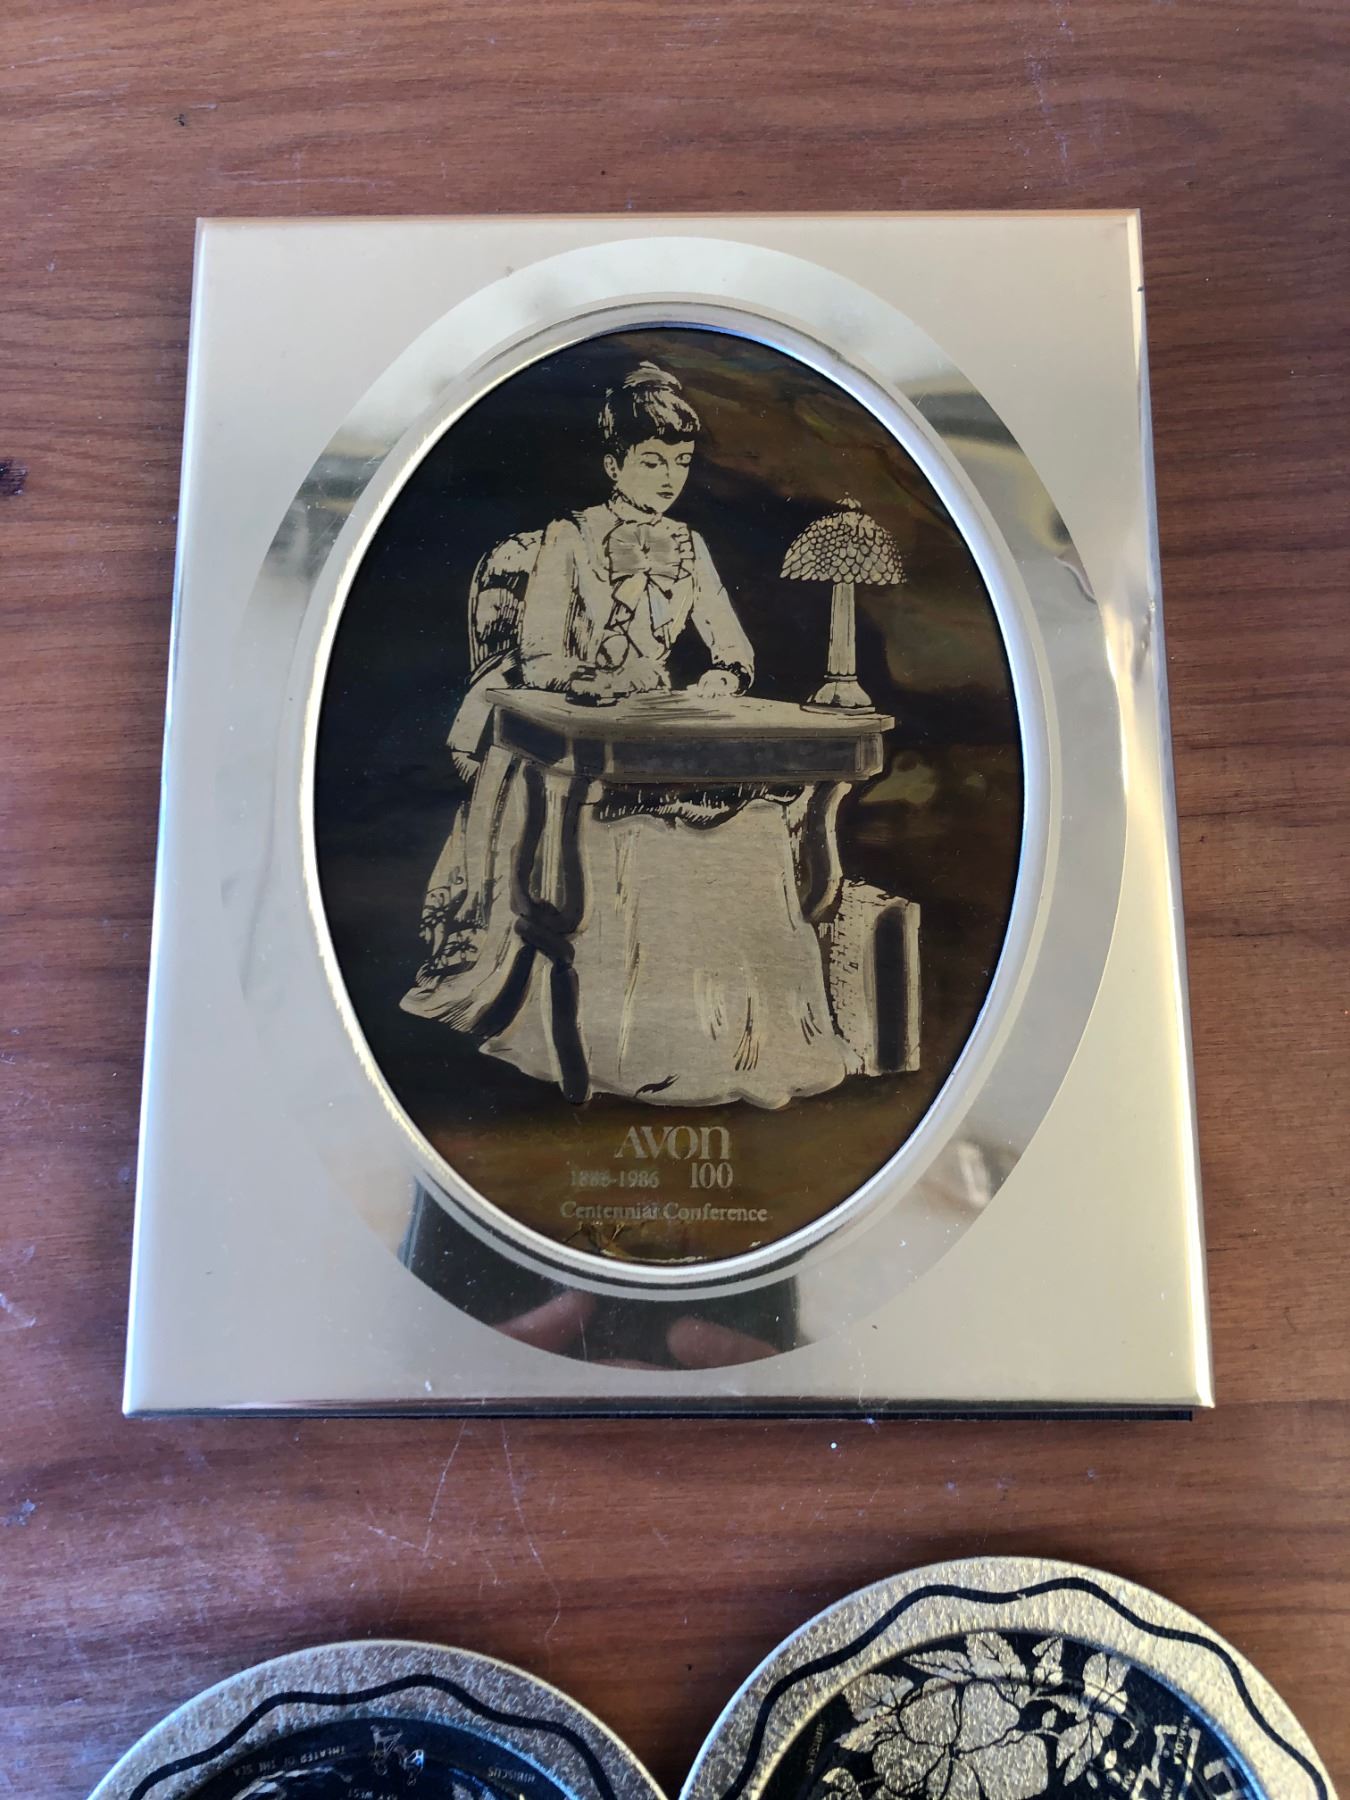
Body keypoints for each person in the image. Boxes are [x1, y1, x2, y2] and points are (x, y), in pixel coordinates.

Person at [402, 362, 850, 1108]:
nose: (668, 478)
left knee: (752, 832)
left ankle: (737, 1040)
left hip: (653, 730)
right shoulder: (568, 538)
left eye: (680, 462)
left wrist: (722, 679)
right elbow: (539, 657)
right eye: (651, 462)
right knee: (621, 836)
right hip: (567, 728)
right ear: (614, 465)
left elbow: (733, 648)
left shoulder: (690, 545)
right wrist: (598, 678)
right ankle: (617, 1042)